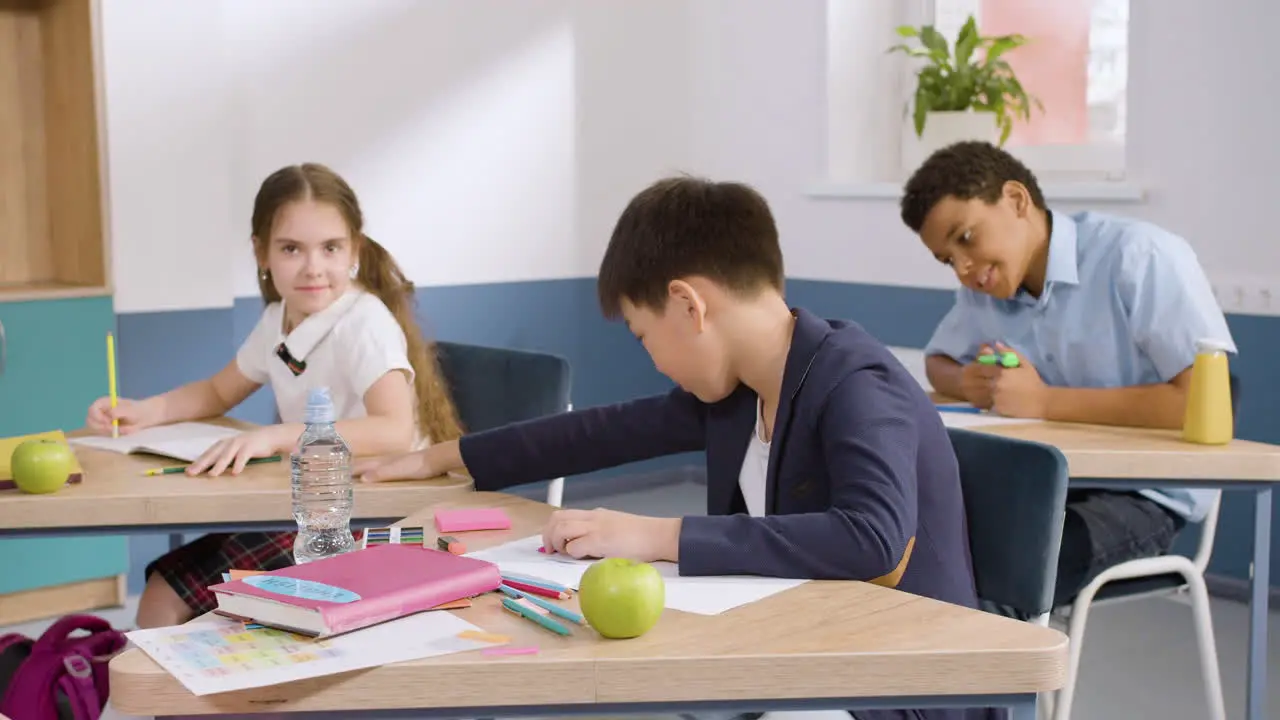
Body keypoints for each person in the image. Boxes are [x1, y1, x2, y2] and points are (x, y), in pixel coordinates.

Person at [359, 175, 1000, 720]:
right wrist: (445, 456)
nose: (656, 362)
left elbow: (872, 538)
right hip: (805, 656)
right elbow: (600, 430)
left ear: (687, 305)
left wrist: (657, 536)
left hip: (900, 688)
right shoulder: (742, 390)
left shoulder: (860, 384)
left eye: (643, 336)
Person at [85, 163, 463, 628]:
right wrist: (144, 411)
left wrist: (277, 437)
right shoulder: (280, 319)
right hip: (311, 509)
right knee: (162, 599)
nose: (313, 267)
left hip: (373, 518)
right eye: (291, 249)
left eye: (330, 248)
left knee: (173, 607)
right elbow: (218, 390)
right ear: (261, 253)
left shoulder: (364, 323)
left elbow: (395, 431)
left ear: (354, 250)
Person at [899, 140, 1235, 608]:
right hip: (1042, 485)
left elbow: (1203, 400)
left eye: (967, 238)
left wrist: (1045, 402)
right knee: (913, 545)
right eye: (948, 259)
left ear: (1017, 200)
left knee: (1001, 571)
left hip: (1140, 497)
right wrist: (965, 382)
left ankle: (982, 678)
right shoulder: (986, 287)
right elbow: (940, 364)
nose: (964, 268)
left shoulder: (1139, 256)